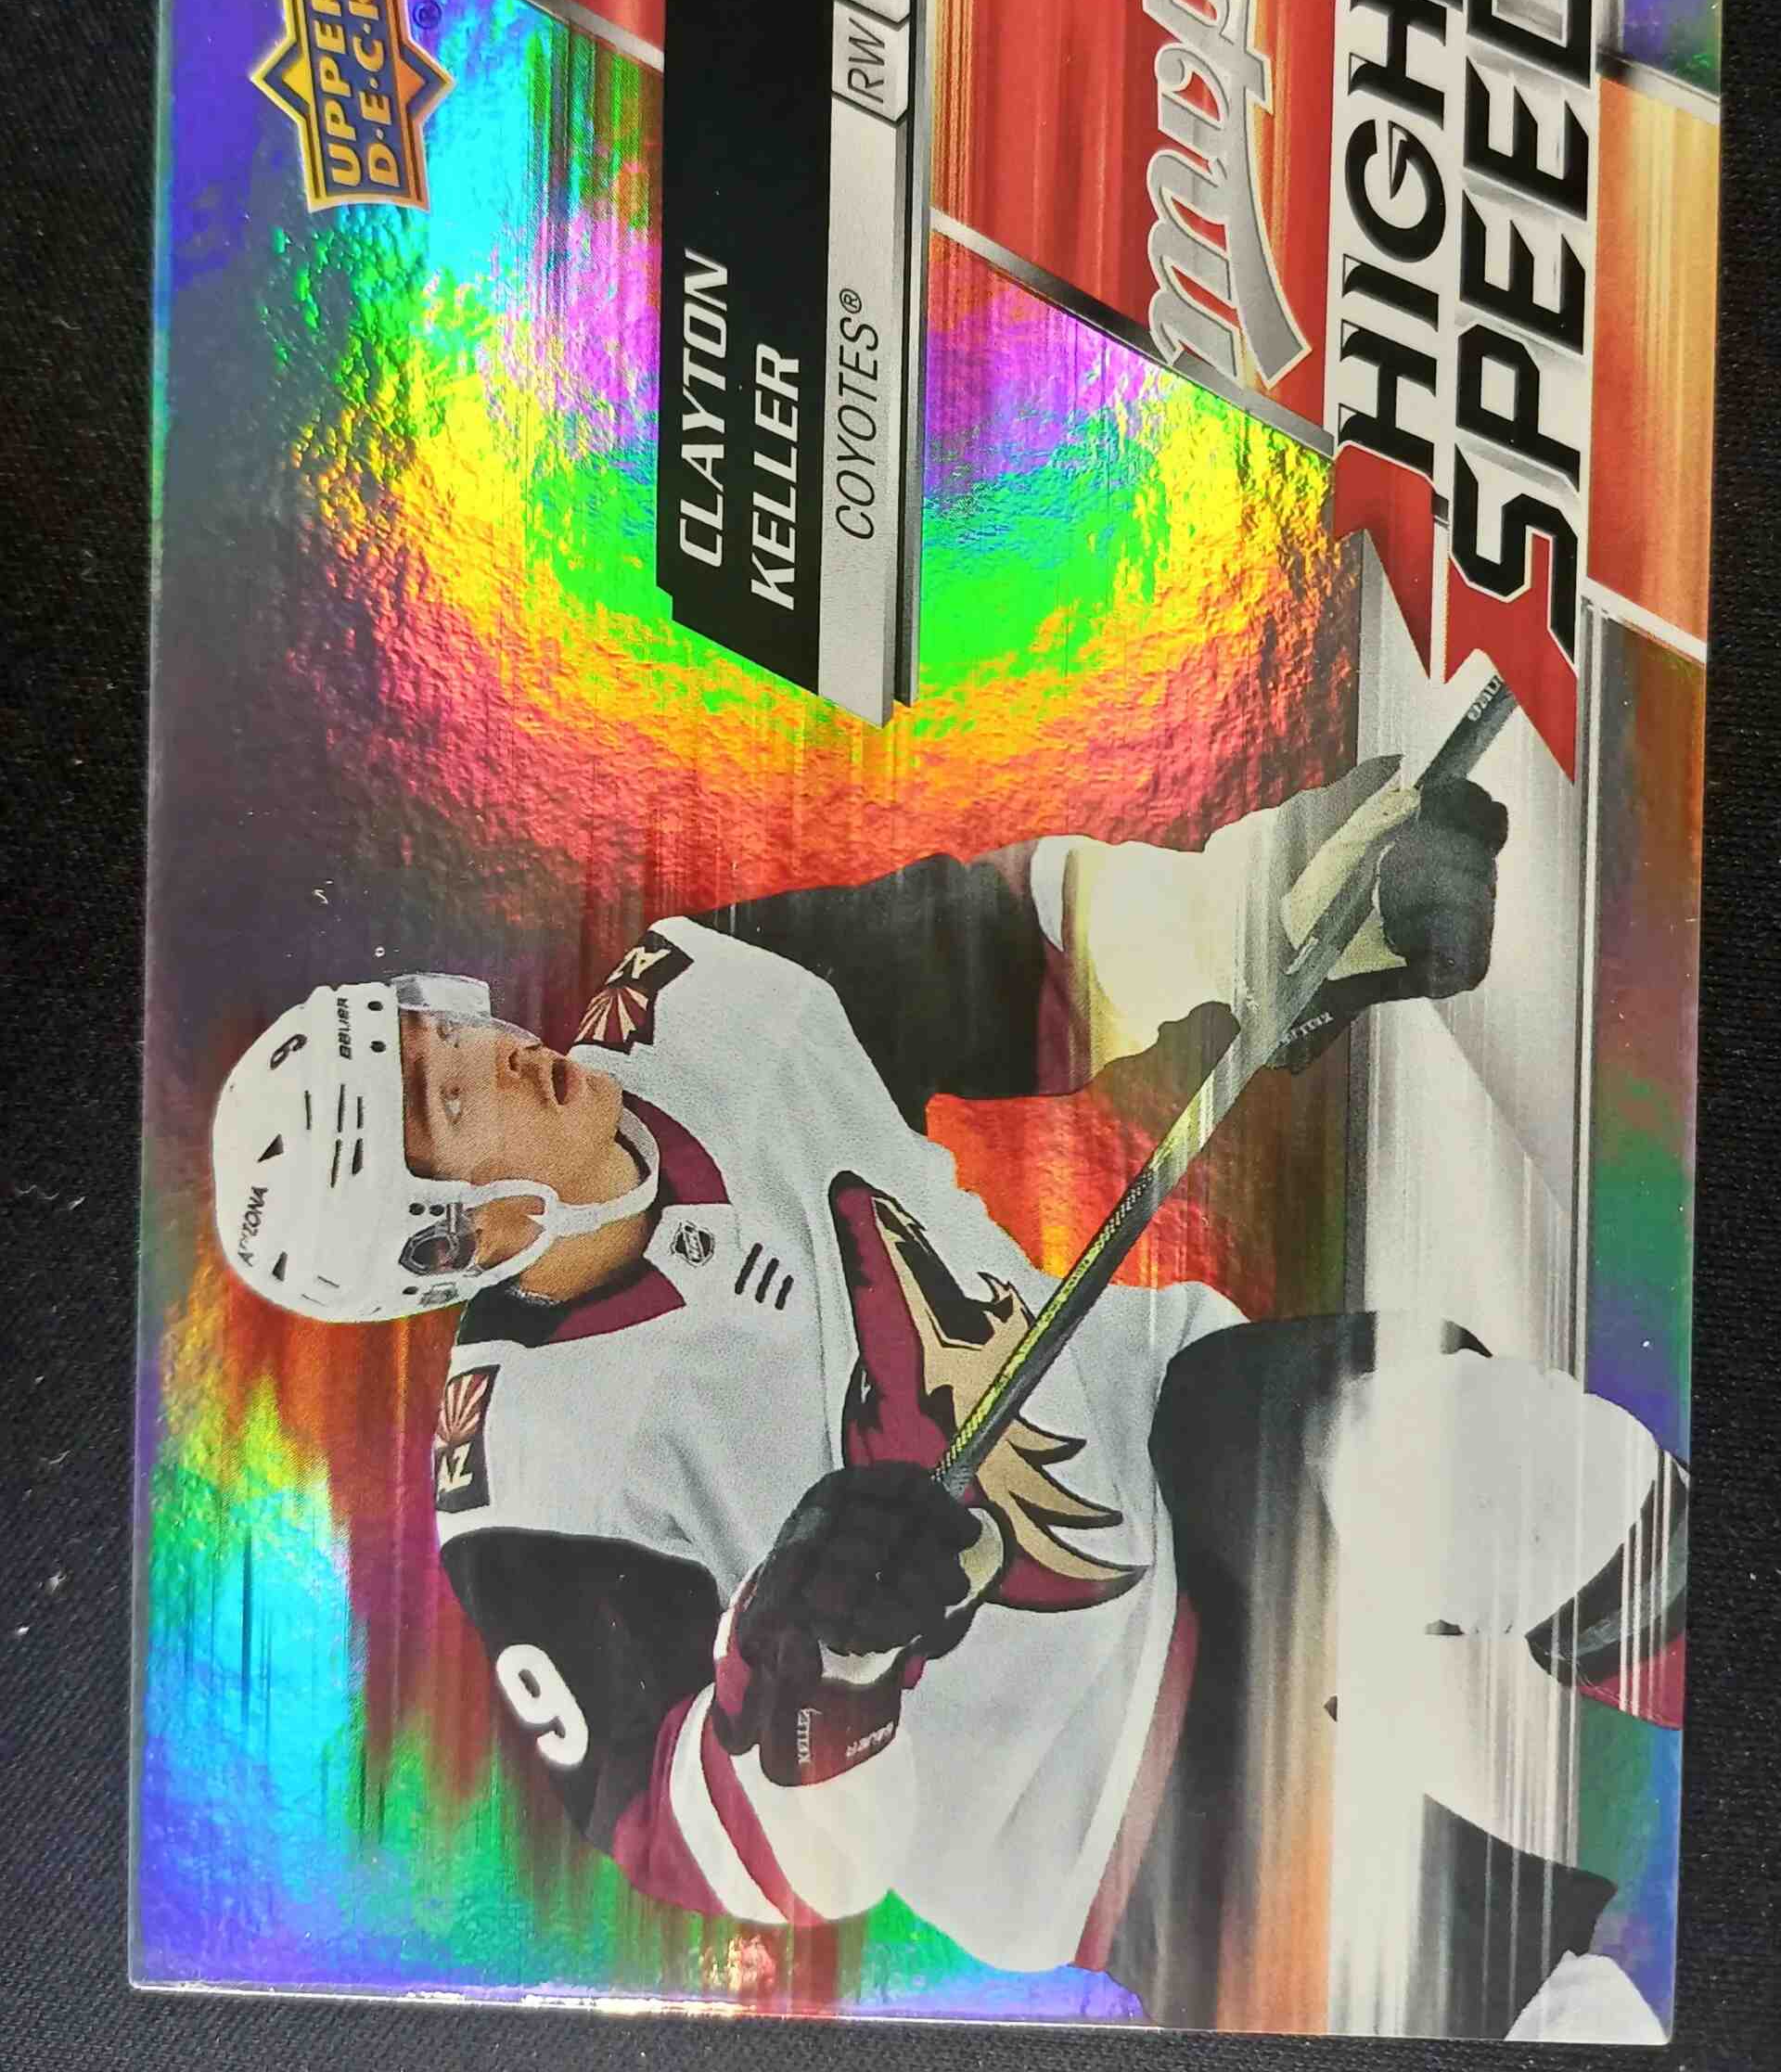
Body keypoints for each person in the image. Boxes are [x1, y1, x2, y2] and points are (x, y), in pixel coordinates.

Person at [211, 758, 1682, 2038]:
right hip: (1097, 1809)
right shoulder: (530, 1490)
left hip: (1176, 1440)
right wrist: (809, 1691)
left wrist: (1278, 901)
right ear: (448, 1244)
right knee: (1544, 2026)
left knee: (1491, 1461)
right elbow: (716, 1847)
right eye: (446, 1104)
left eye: (437, 1036)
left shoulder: (702, 996)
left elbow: (1005, 949)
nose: (490, 1054)